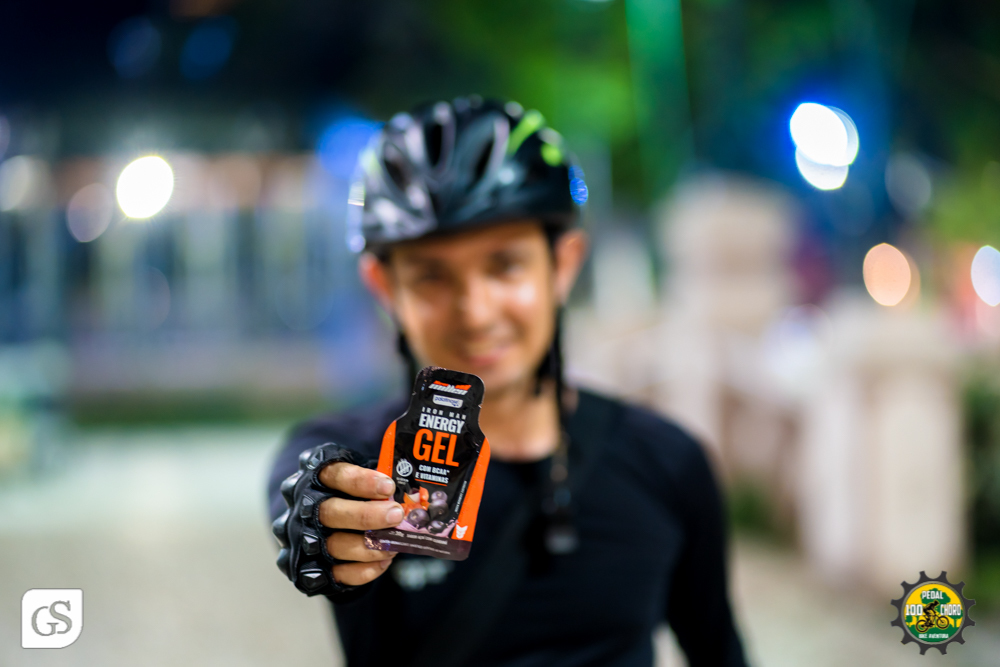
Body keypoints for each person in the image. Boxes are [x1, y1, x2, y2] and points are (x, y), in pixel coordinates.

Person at [268, 96, 748, 667]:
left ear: (563, 264)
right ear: (384, 288)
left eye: (505, 266)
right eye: (431, 278)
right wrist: (323, 515)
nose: (475, 311)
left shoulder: (669, 461)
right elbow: (305, 484)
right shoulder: (360, 462)